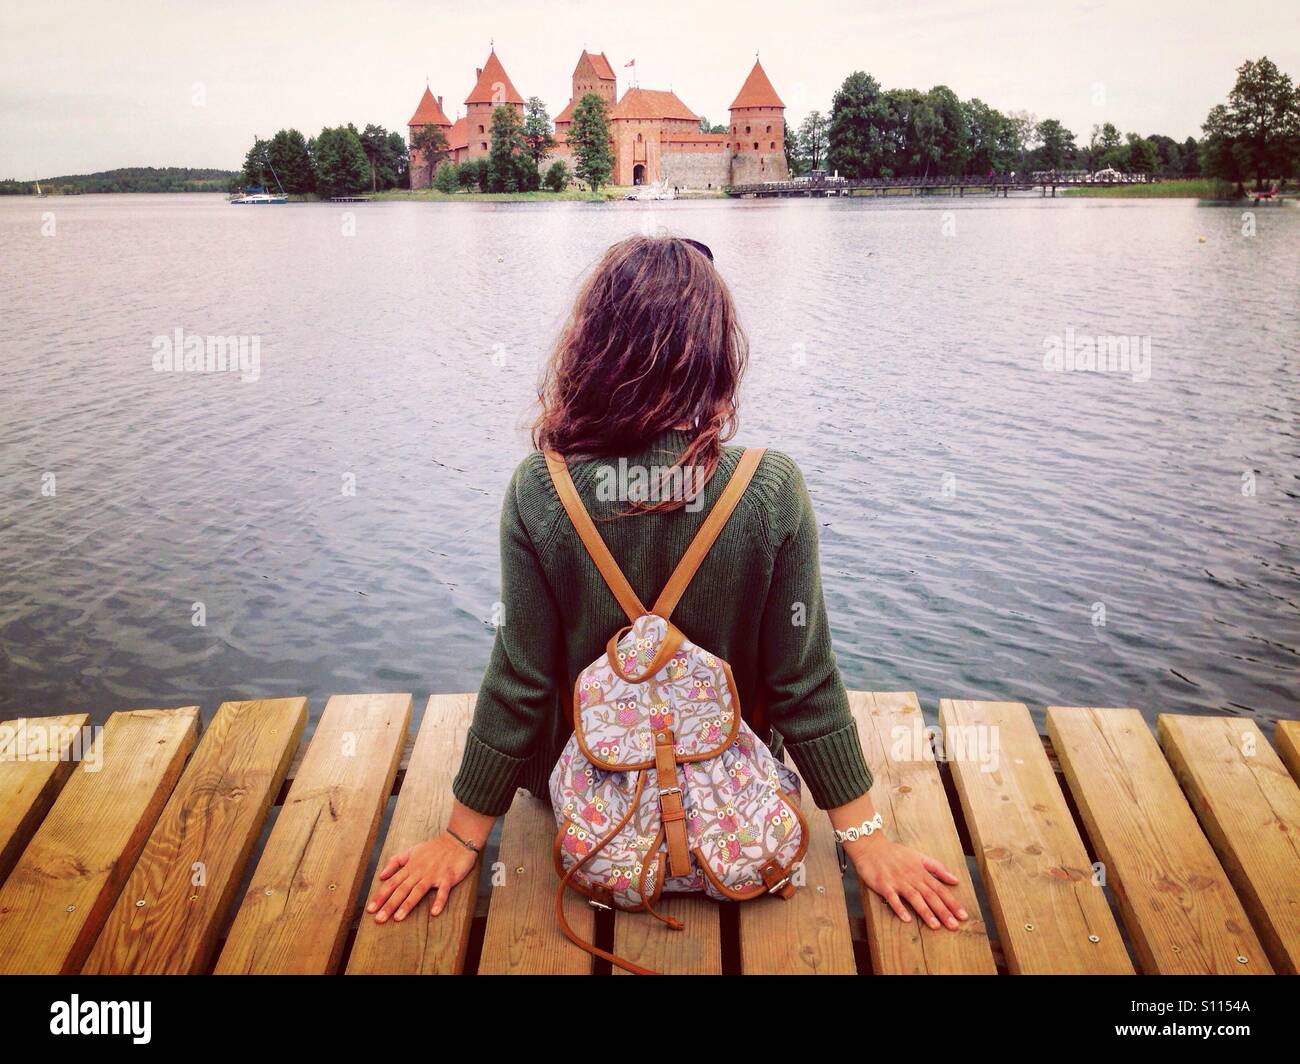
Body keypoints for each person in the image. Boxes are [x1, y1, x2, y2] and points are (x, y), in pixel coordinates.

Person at [366, 235, 969, 935]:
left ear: (591, 351)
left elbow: (520, 681)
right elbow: (803, 681)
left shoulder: (541, 486)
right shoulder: (769, 488)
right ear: (715, 356)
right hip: (728, 785)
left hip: (584, 793)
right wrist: (868, 840)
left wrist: (462, 838)